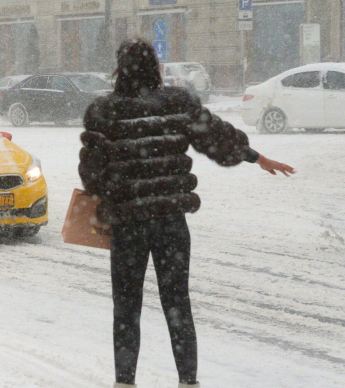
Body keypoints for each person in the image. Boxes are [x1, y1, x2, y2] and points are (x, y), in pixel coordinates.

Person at [78, 39, 294, 388]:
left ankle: (124, 382)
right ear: (156, 68)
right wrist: (255, 157)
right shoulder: (178, 104)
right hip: (170, 223)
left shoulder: (105, 112)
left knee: (127, 307)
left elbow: (91, 173)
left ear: (120, 69)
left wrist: (114, 193)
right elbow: (217, 137)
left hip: (129, 227)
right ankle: (188, 381)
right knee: (177, 302)